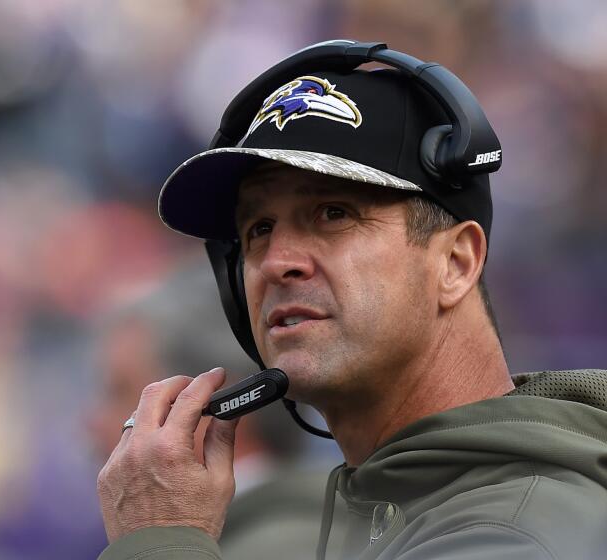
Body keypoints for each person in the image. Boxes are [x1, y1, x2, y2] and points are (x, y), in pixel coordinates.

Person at [96, 40, 607, 559]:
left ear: (456, 263)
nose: (276, 261)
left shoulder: (519, 535)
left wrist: (159, 540)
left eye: (333, 213)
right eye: (259, 228)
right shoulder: (396, 512)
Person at [88, 260, 333, 560]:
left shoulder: (287, 547)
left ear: (219, 399)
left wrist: (155, 542)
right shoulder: (309, 526)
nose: (92, 423)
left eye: (120, 391)